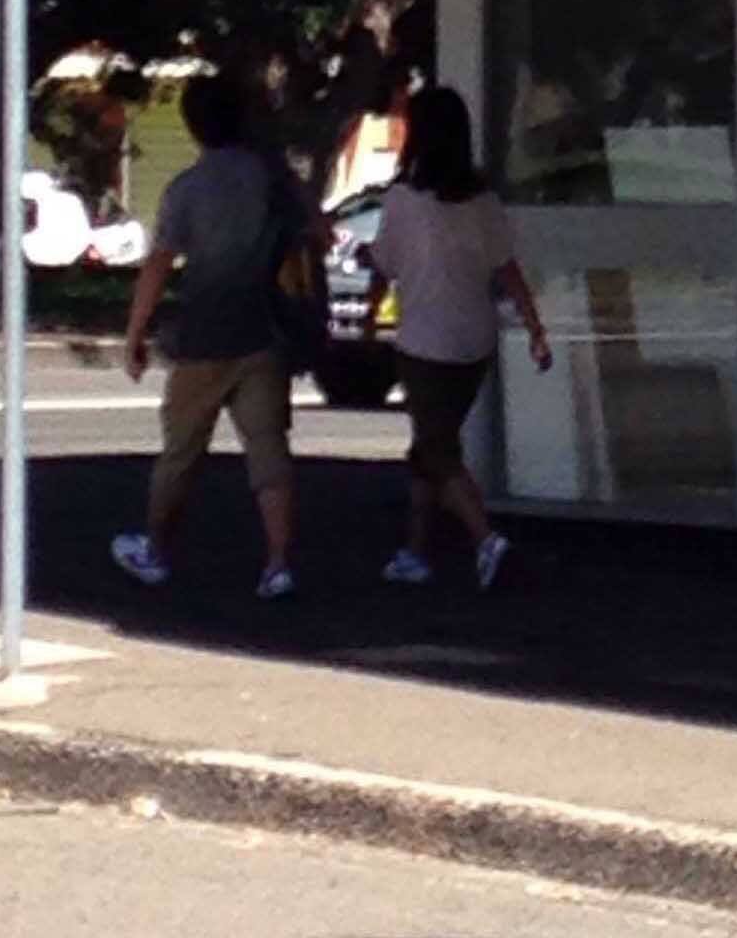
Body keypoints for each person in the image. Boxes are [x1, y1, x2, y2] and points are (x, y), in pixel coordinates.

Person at [110, 71, 323, 601]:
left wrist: (136, 332)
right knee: (268, 448)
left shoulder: (187, 188)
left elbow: (158, 266)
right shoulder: (274, 180)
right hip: (265, 329)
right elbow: (320, 232)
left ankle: (155, 548)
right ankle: (277, 563)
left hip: (205, 330)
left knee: (181, 448)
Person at [365, 83, 550, 591]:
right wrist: (535, 329)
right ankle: (414, 550)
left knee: (435, 449)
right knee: (432, 444)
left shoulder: (403, 200)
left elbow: (384, 266)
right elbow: (508, 270)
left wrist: (366, 320)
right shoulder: (483, 201)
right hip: (475, 341)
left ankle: (485, 538)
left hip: (424, 341)